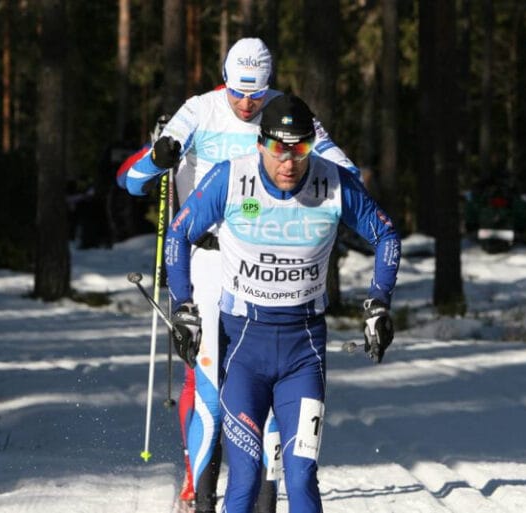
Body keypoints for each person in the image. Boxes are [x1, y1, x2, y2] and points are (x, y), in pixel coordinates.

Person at [125, 38, 360, 513]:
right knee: (212, 391)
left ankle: (263, 498)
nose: (248, 103)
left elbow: (345, 170)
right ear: (225, 79)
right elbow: (130, 181)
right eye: (238, 92)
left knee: (271, 393)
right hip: (206, 260)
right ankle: (200, 492)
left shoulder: (286, 114)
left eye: (257, 93)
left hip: (266, 259)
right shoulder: (200, 110)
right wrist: (159, 156)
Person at [164, 94, 401, 513]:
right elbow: (178, 236)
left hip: (303, 352)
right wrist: (183, 305)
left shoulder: (333, 183)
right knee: (245, 477)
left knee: (300, 475)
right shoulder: (230, 179)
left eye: (301, 148)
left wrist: (379, 301)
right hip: (242, 348)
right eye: (278, 148)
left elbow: (386, 236)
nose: (289, 161)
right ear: (260, 144)